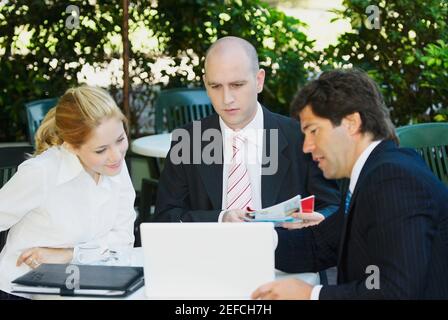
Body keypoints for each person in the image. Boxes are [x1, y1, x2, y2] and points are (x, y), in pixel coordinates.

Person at [252, 69, 448, 300]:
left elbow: (397, 291)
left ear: (351, 123)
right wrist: (249, 240)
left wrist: (311, 295)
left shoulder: (393, 179)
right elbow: (319, 245)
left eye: (314, 131)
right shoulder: (376, 173)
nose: (306, 146)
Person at [153, 36, 340, 223]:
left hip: (283, 249)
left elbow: (333, 206)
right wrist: (220, 219)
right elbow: (164, 216)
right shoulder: (188, 141)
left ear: (259, 81)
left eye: (237, 85)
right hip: (211, 250)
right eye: (216, 86)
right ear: (205, 85)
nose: (227, 98)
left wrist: (319, 220)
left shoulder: (299, 139)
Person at [0, 86, 136, 299]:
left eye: (120, 139)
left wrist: (69, 254)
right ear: (71, 146)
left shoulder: (114, 166)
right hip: (22, 292)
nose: (116, 155)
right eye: (101, 149)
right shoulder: (42, 172)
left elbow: (122, 243)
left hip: (86, 287)